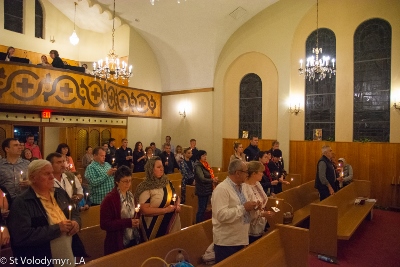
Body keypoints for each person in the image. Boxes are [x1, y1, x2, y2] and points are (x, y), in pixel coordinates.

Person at [8, 160, 86, 266]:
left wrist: (76, 222)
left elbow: (74, 212)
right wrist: (57, 229)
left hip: (67, 253)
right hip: (41, 259)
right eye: (46, 174)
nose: (52, 177)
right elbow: (22, 236)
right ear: (33, 178)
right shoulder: (22, 202)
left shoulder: (60, 193)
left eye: (52, 173)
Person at [211, 159, 258, 263]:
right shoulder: (222, 189)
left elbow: (244, 209)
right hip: (227, 243)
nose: (248, 174)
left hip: (241, 238)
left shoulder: (243, 187)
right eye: (246, 171)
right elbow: (221, 215)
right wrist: (244, 208)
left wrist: (254, 207)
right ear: (237, 173)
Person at [134, 157, 181, 241]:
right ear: (151, 169)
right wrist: (165, 210)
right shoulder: (145, 186)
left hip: (172, 223)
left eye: (162, 166)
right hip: (154, 227)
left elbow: (176, 196)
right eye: (158, 167)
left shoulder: (167, 182)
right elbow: (144, 210)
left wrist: (177, 205)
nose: (162, 169)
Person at [100, 166, 141, 255]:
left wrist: (136, 218)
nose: (128, 184)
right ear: (117, 182)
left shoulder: (130, 195)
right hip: (117, 241)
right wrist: (128, 222)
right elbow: (104, 224)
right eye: (125, 181)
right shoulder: (110, 199)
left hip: (133, 237)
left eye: (130, 180)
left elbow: (135, 212)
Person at [243, 161, 274, 244]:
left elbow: (263, 199)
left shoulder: (257, 184)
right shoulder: (244, 188)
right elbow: (246, 209)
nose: (262, 174)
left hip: (260, 221)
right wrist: (262, 214)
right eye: (261, 172)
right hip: (250, 225)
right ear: (253, 173)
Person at [194, 150, 217, 223]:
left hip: (207, 189)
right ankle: (198, 224)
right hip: (202, 189)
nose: (205, 157)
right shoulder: (198, 166)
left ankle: (201, 222)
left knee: (204, 208)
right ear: (200, 157)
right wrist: (212, 180)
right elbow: (201, 178)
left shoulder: (205, 164)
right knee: (201, 208)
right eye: (203, 155)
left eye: (205, 155)